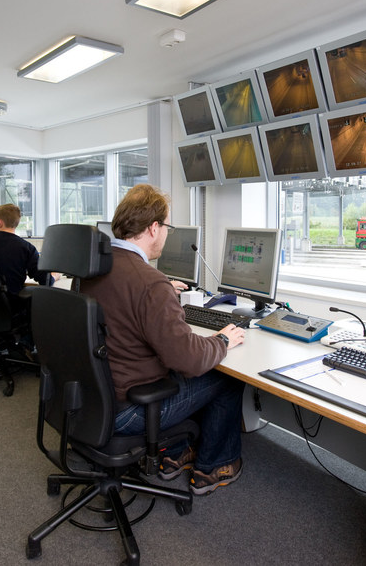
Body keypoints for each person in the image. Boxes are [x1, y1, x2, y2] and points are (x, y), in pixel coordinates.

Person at [80, 184, 247, 496]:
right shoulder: (150, 283)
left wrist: (161, 299)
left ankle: (175, 452)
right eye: (167, 226)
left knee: (174, 372)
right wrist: (222, 340)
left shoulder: (92, 270)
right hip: (128, 411)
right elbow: (189, 359)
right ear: (153, 228)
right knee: (227, 380)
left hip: (90, 400)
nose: (168, 234)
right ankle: (212, 466)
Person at [0, 204, 54, 341]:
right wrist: (54, 276)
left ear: (0, 223)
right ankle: (26, 346)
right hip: (10, 305)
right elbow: (45, 280)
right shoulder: (26, 248)